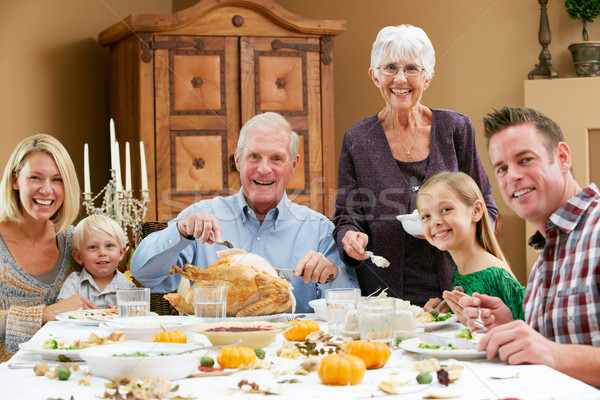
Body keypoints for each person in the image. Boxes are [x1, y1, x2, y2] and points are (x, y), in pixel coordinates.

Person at [333, 24, 497, 307]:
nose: (400, 78)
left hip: (460, 294)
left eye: (412, 68)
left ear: (428, 77)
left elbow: (486, 209)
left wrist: (456, 231)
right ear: (374, 76)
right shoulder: (357, 139)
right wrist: (349, 237)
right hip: (383, 299)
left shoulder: (455, 129)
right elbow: (346, 216)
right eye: (390, 68)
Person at [130, 112, 358, 313]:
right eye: (254, 156)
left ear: (293, 164)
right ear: (238, 160)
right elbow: (144, 275)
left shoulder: (318, 229)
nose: (264, 169)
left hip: (290, 353)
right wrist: (180, 232)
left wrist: (333, 278)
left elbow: (352, 310)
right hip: (215, 348)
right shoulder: (200, 216)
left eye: (276, 159)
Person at [456, 106, 600, 386]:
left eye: (525, 160)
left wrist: (553, 354)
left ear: (561, 158)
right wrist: (508, 326)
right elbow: (556, 343)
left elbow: (553, 352)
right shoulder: (549, 247)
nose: (513, 177)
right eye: (502, 168)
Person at [0, 134, 96, 361]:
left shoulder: (76, 242)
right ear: (15, 180)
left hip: (67, 375)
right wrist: (44, 314)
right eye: (35, 177)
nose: (46, 189)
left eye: (57, 179)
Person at [416, 171, 524, 322]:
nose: (435, 221)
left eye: (446, 209)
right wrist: (446, 308)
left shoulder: (494, 275)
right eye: (426, 216)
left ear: (476, 211)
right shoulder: (461, 269)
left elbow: (526, 330)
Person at [57, 215, 135, 308]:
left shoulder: (127, 286)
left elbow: (137, 316)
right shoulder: (74, 282)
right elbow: (61, 310)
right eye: (93, 247)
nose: (102, 253)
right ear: (79, 257)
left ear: (121, 253)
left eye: (109, 246)